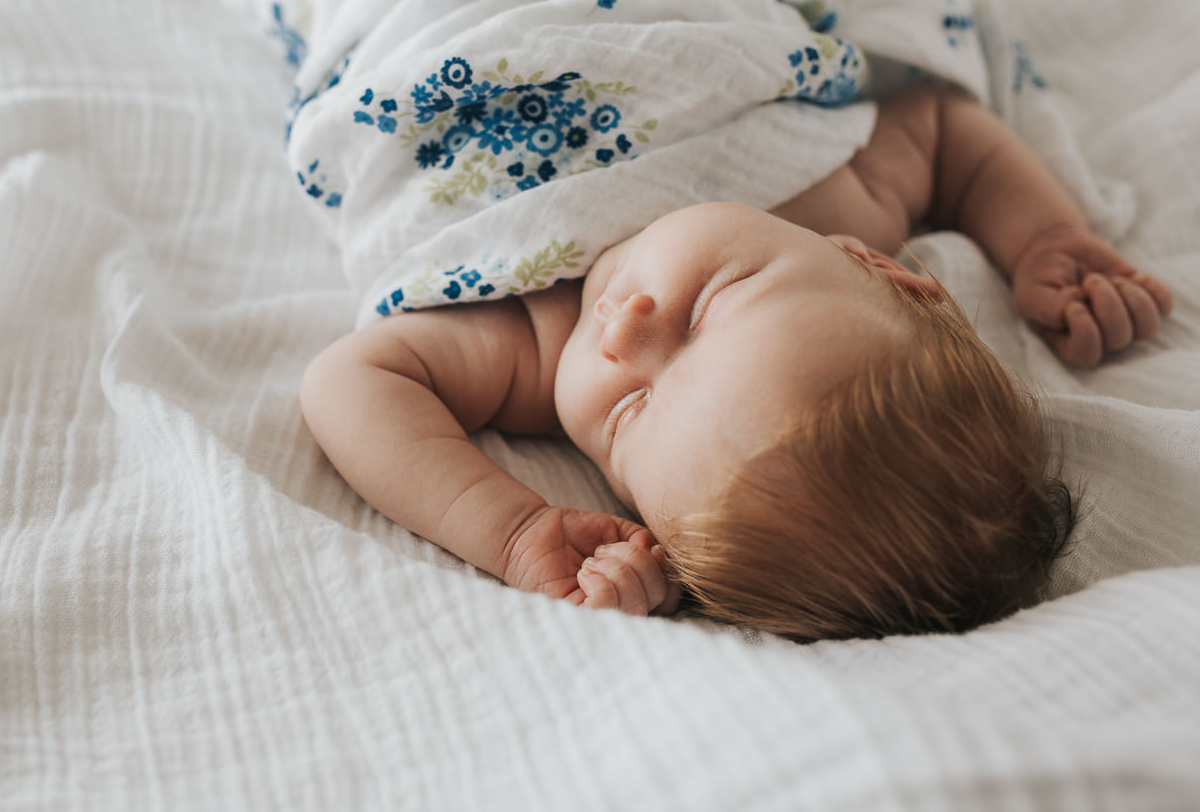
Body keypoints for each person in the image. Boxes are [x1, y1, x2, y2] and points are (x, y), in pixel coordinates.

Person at [299, 83, 1175, 639]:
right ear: (882, 270)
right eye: (713, 306)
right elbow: (944, 128)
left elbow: (351, 382)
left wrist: (517, 528)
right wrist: (1049, 240)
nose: (624, 333)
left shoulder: (532, 339)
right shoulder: (826, 194)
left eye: (628, 411)